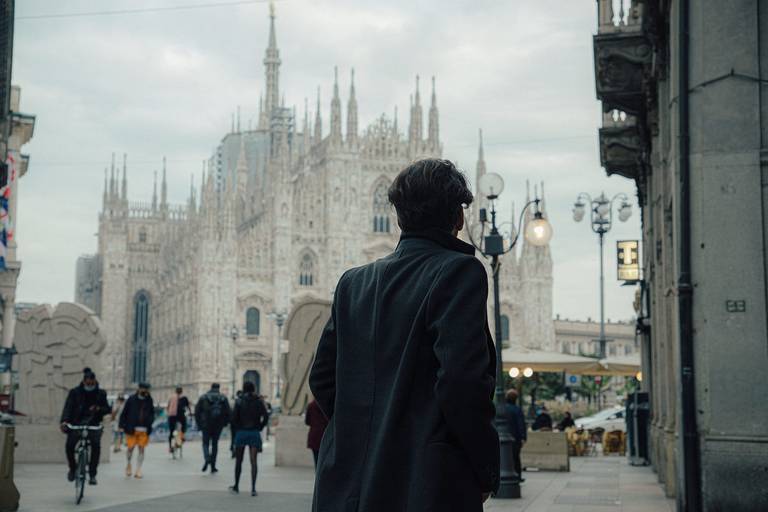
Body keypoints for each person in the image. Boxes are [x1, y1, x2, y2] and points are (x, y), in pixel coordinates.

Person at [309, 159, 500, 512]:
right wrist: (483, 468)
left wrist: (364, 427)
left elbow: (322, 378)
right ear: (458, 218)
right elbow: (462, 383)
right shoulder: (458, 272)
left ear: (399, 218)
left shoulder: (353, 282)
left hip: (347, 483)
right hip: (424, 484)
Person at [60, 369, 110, 485]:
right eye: (87, 383)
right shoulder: (74, 392)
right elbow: (68, 408)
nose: (89, 385)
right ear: (83, 381)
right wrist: (64, 422)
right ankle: (73, 468)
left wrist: (98, 409)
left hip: (93, 424)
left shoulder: (101, 393)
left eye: (91, 383)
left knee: (96, 447)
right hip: (77, 423)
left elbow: (107, 409)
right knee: (69, 446)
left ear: (95, 381)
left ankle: (92, 474)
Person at [229, 382, 269, 496]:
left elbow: (233, 418)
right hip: (254, 433)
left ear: (244, 389)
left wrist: (238, 428)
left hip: (241, 433)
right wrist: (260, 427)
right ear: (254, 389)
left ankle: (236, 486)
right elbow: (266, 416)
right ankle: (253, 488)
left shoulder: (239, 401)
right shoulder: (258, 401)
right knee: (253, 461)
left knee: (239, 461)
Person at [120, 382, 155, 479]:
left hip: (144, 428)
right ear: (139, 389)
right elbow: (124, 412)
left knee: (141, 448)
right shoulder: (131, 399)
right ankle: (128, 464)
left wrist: (150, 422)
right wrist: (121, 425)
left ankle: (138, 469)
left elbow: (152, 413)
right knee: (130, 448)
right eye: (144, 389)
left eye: (147, 389)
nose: (146, 391)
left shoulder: (149, 400)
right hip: (131, 428)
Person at [195, 382, 231, 473]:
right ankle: (213, 466)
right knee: (215, 444)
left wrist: (199, 424)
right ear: (219, 388)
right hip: (218, 425)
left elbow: (197, 412)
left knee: (205, 443)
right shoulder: (223, 398)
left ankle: (207, 457)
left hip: (205, 424)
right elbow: (228, 412)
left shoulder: (203, 397)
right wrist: (225, 423)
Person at [504, 389, 527, 482]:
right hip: (515, 438)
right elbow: (521, 424)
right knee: (516, 458)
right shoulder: (517, 409)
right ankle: (517, 476)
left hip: (504, 437)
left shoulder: (502, 408)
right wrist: (523, 437)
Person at [167, 386, 190, 455]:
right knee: (184, 428)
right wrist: (190, 413)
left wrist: (169, 413)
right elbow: (188, 407)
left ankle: (170, 446)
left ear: (175, 391)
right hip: (180, 416)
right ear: (181, 391)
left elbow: (168, 407)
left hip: (172, 416)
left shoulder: (171, 397)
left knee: (171, 431)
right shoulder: (184, 398)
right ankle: (182, 438)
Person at [304, 398, 328, 468]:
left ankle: (317, 476)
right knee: (325, 459)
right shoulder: (326, 405)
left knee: (316, 460)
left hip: (314, 436)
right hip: (325, 435)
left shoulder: (311, 405)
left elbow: (307, 422)